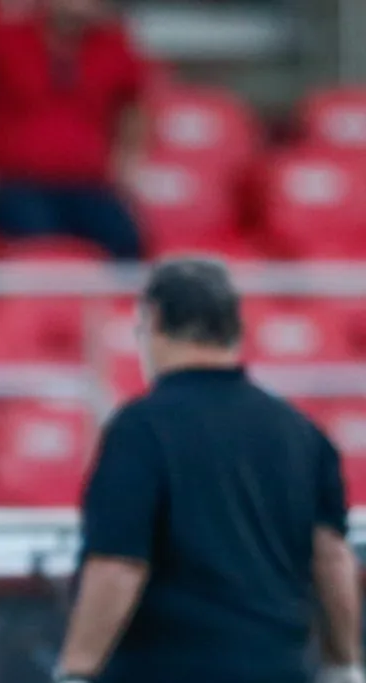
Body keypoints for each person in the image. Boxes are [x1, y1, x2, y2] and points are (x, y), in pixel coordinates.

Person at [54, 258, 363, 683]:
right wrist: (342, 665)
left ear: (155, 321)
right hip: (278, 668)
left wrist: (76, 669)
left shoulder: (141, 428)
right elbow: (331, 556)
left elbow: (119, 565)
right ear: (235, 327)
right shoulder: (301, 432)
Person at [0, 0, 146, 260]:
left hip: (90, 186)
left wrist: (129, 155)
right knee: (39, 247)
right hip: (14, 184)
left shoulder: (115, 45)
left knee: (128, 243)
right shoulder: (3, 37)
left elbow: (135, 103)